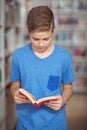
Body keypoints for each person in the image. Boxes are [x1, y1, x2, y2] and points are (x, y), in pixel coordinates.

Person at [10, 5, 75, 130]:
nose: (41, 44)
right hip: (25, 123)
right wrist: (14, 94)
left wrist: (63, 100)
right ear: (28, 30)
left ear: (53, 29)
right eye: (35, 39)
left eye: (46, 39)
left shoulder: (64, 56)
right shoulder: (19, 55)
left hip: (56, 123)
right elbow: (14, 85)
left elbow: (68, 87)